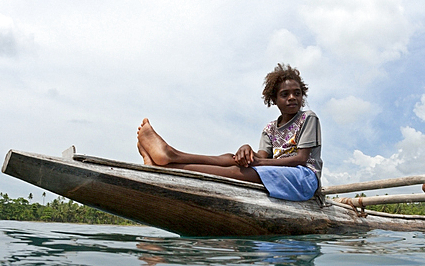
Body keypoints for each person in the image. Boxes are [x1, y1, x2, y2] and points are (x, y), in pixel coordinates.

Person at [136, 64, 322, 201]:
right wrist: (246, 151)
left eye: (297, 93)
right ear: (274, 99)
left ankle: (167, 167)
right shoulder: (270, 129)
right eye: (285, 94)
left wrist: (259, 162)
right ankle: (172, 154)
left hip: (303, 177)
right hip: (277, 170)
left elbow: (301, 159)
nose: (292, 98)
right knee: (231, 158)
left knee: (236, 172)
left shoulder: (308, 118)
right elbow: (260, 157)